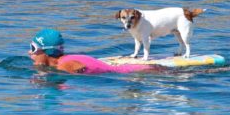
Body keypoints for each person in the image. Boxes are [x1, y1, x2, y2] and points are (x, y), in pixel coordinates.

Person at [28, 28, 158, 75]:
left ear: (46, 51)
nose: (30, 52)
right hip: (134, 69)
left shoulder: (65, 64)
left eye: (33, 48)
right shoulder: (66, 58)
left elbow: (79, 67)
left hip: (136, 72)